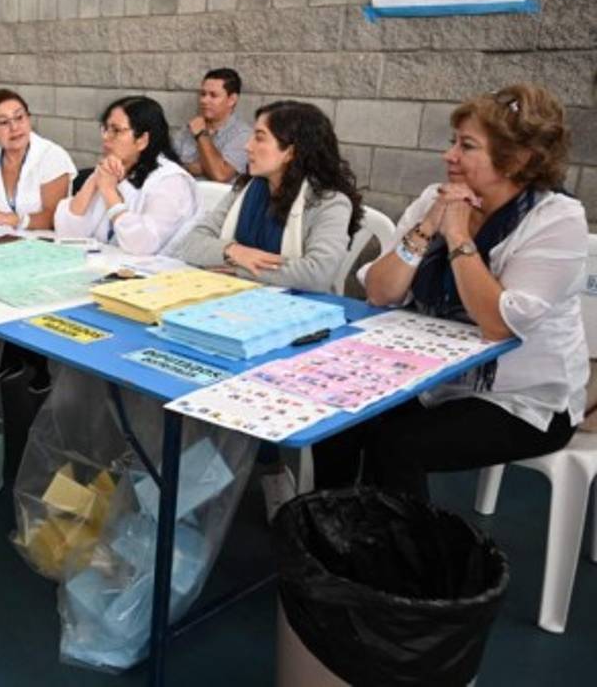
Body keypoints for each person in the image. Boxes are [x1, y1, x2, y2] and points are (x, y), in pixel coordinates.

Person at [313, 84, 587, 502]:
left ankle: (407, 560)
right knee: (337, 415)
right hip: (427, 376)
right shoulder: (433, 198)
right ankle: (333, 537)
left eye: (467, 146)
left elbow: (499, 323)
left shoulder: (555, 218)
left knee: (397, 444)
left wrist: (458, 233)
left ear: (517, 159)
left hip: (520, 399)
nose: (449, 155)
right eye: (452, 142)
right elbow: (381, 293)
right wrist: (426, 228)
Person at [163, 100, 363, 294]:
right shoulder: (246, 188)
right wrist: (234, 251)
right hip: (237, 297)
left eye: (259, 138)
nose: (247, 146)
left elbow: (317, 273)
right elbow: (191, 244)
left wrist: (240, 268)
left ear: (290, 152)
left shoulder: (329, 202)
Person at [54, 95, 199, 254]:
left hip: (159, 273)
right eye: (105, 129)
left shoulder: (171, 181)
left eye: (116, 130)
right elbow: (68, 233)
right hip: (109, 265)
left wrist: (109, 192)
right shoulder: (112, 169)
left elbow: (142, 245)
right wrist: (95, 180)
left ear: (142, 140)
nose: (106, 138)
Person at [0, 88, 75, 230]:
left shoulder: (51, 156)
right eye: (3, 122)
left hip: (41, 243)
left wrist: (11, 220)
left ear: (28, 119)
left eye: (19, 117)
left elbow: (54, 217)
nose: (14, 127)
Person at [172, 67, 252, 182]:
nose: (204, 100)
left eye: (213, 95)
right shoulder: (188, 129)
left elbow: (220, 175)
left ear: (232, 100)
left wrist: (201, 134)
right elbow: (168, 167)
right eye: (203, 94)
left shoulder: (243, 135)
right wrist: (201, 168)